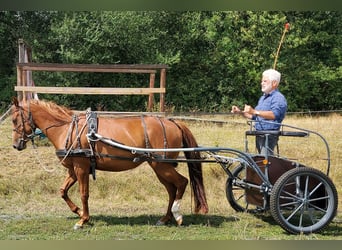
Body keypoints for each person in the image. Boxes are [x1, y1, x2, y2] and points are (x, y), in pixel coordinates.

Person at [231, 69, 287, 155]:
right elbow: (254, 116)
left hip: (269, 135)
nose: (262, 83)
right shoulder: (263, 98)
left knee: (266, 161)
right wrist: (240, 112)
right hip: (259, 134)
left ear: (274, 83)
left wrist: (254, 111)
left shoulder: (278, 98)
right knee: (260, 161)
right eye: (262, 81)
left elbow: (274, 115)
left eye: (265, 81)